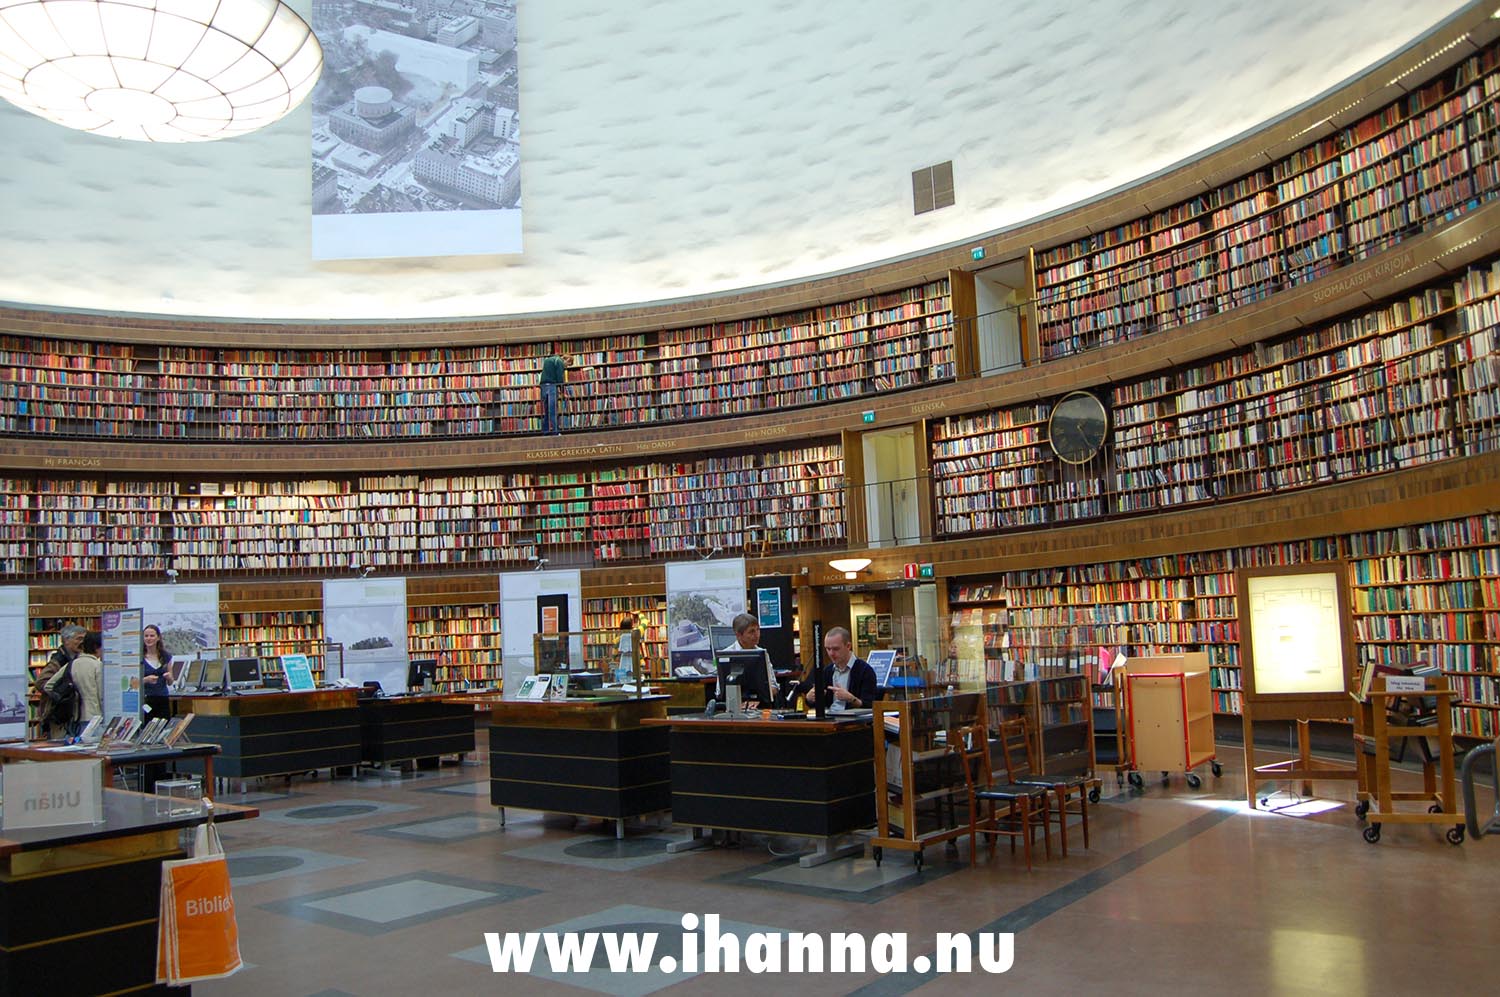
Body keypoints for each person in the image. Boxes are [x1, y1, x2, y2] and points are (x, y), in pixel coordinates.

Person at [800, 626, 877, 712]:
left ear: (848, 646)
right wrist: (810, 698)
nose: (831, 653)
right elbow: (818, 704)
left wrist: (851, 699)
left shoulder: (865, 671)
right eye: (828, 649)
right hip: (830, 718)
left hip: (852, 721)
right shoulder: (827, 671)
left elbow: (869, 706)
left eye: (836, 649)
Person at [44, 629, 104, 738]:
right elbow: (101, 695)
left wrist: (67, 695)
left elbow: (48, 686)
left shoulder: (71, 664)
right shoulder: (97, 666)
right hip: (93, 717)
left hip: (73, 717)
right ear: (97, 647)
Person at [33, 623, 85, 735]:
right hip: (60, 715)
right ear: (66, 640)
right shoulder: (58, 661)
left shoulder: (79, 658)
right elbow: (41, 682)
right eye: (79, 638)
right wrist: (62, 691)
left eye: (84, 639)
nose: (82, 642)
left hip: (74, 713)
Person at [721, 612, 778, 706]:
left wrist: (760, 697)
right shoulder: (726, 654)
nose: (757, 635)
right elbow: (720, 691)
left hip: (761, 706)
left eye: (758, 630)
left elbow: (774, 686)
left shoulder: (762, 653)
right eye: (751, 631)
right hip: (734, 706)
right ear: (739, 635)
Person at [141, 623, 174, 720]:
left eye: (152, 636)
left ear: (158, 638)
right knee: (147, 727)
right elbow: (132, 683)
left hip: (162, 698)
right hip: (146, 699)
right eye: (146, 636)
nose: (149, 638)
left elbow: (170, 682)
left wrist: (169, 677)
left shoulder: (166, 656)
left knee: (164, 726)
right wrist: (146, 679)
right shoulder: (139, 658)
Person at [539, 345, 568, 435]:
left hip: (544, 386)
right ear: (566, 360)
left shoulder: (548, 360)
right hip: (552, 386)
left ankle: (546, 431)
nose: (566, 367)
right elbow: (560, 378)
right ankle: (556, 431)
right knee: (553, 410)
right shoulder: (559, 361)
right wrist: (563, 391)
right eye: (568, 364)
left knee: (547, 410)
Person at [612, 615, 636, 685]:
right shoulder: (634, 637)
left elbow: (614, 654)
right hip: (632, 662)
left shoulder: (618, 639)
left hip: (621, 662)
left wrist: (614, 659)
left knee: (622, 682)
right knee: (633, 682)